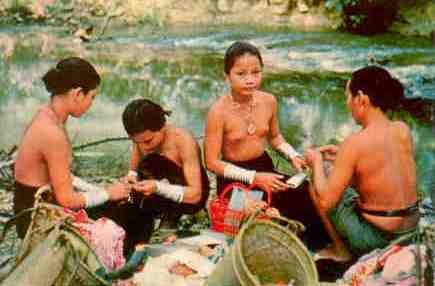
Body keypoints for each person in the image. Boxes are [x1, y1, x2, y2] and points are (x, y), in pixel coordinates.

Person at [204, 41, 328, 247]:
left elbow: (275, 137)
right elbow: (211, 162)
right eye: (241, 74)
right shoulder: (218, 112)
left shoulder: (269, 101)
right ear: (227, 76)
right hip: (235, 178)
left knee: (304, 193)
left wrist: (293, 155)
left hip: (264, 167)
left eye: (256, 72)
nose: (250, 80)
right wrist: (255, 178)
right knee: (254, 220)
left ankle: (312, 253)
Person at [305, 66, 419, 261]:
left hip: (377, 240)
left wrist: (316, 162)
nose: (347, 105)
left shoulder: (354, 143)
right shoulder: (402, 129)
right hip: (410, 234)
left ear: (361, 99)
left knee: (316, 183)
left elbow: (326, 202)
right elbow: (383, 170)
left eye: (348, 97)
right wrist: (344, 157)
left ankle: (341, 251)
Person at [13, 57, 130, 239]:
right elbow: (66, 199)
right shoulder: (53, 133)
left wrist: (100, 190)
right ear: (77, 94)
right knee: (123, 219)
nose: (92, 103)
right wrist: (107, 193)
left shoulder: (47, 115)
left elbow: (59, 176)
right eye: (92, 97)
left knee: (114, 204)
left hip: (30, 209)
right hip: (37, 221)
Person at [111, 98, 210, 253]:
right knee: (124, 206)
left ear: (162, 126)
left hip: (188, 197)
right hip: (155, 190)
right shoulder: (142, 139)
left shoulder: (182, 141)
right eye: (138, 142)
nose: (143, 146)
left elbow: (196, 194)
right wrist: (129, 184)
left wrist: (158, 187)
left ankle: (178, 218)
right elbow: (133, 173)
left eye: (148, 140)